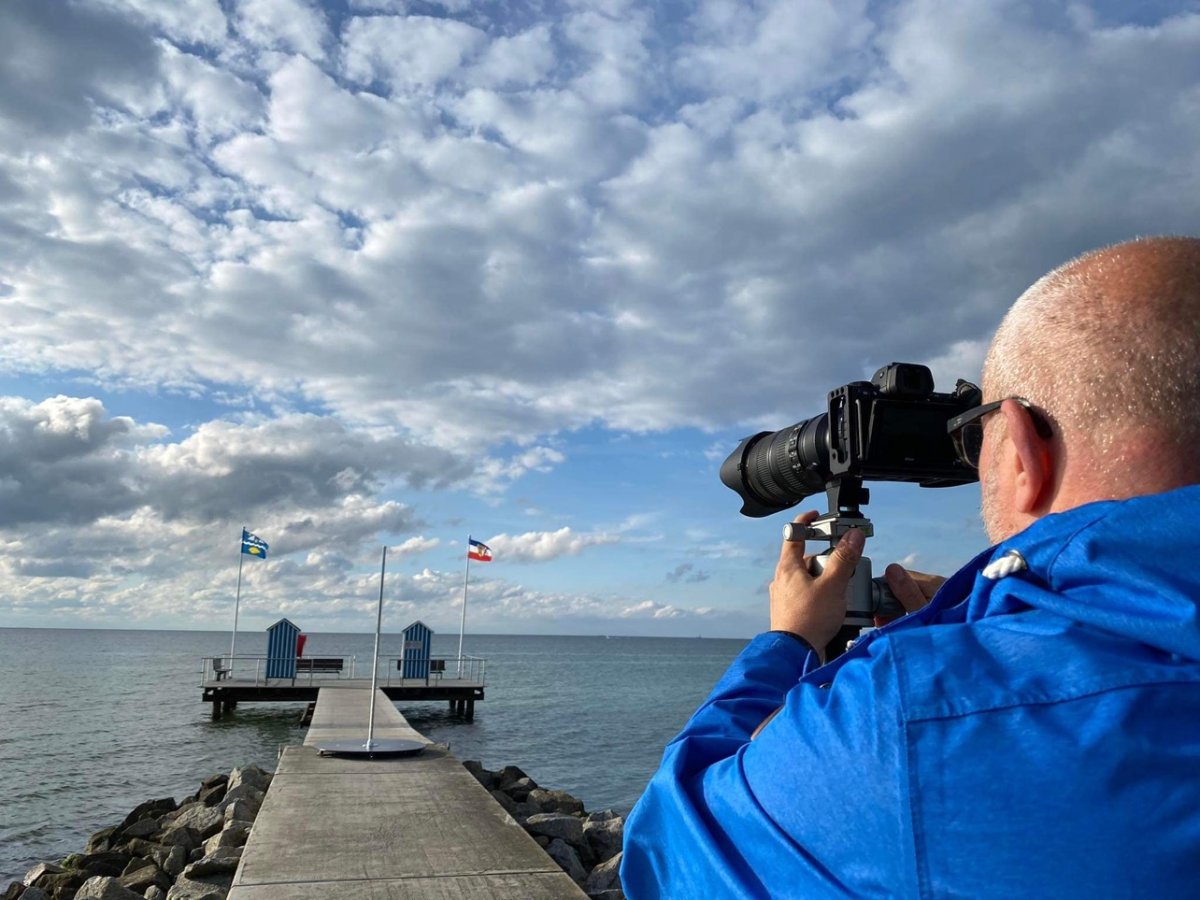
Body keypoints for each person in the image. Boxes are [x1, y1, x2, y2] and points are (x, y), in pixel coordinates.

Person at [621, 237, 1200, 898]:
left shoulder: (909, 719)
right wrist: (985, 625)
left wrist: (789, 640)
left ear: (1021, 451)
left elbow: (667, 852)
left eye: (977, 435)